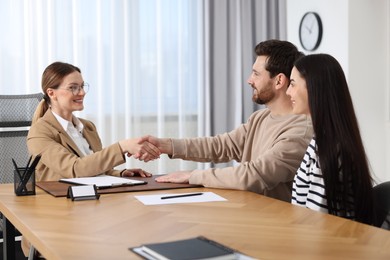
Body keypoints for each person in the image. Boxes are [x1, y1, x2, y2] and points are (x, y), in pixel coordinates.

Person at [145, 40, 313, 202]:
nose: (249, 80)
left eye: (256, 74)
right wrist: (165, 145)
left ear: (279, 81)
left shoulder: (300, 130)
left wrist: (193, 176)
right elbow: (221, 145)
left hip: (275, 223)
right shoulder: (260, 118)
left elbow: (254, 174)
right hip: (250, 211)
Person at [27, 61, 161, 182]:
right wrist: (122, 147)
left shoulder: (87, 126)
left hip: (92, 198)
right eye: (73, 87)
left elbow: (94, 168)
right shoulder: (39, 132)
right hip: (61, 203)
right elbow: (75, 169)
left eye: (82, 86)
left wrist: (121, 174)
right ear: (51, 93)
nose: (82, 92)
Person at [286, 53, 374, 224]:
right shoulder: (324, 140)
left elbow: (315, 225)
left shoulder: (329, 150)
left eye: (293, 84)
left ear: (314, 87)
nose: (288, 91)